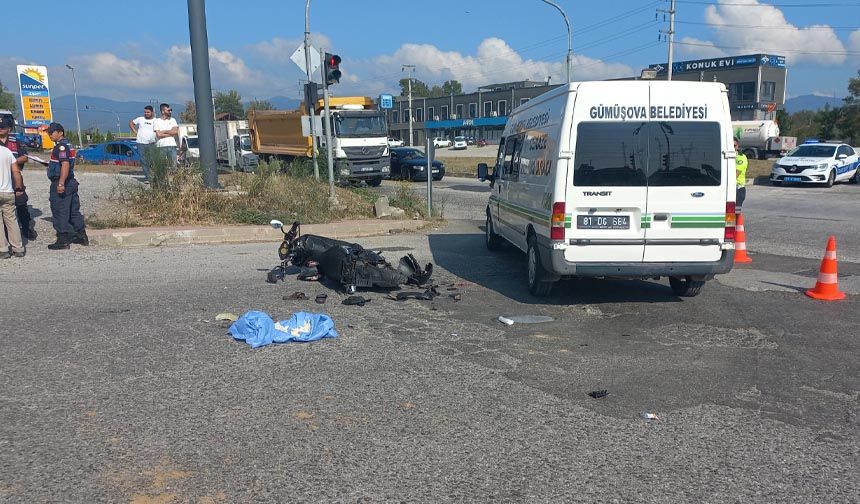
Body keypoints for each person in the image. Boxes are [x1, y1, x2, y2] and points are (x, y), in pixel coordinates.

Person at [45, 123, 88, 250]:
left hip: (62, 181)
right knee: (73, 210)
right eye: (49, 133)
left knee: (60, 211)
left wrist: (60, 183)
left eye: (51, 132)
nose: (50, 135)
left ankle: (63, 240)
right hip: (70, 182)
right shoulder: (68, 145)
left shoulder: (61, 147)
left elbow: (65, 165)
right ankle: (81, 235)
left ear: (60, 132)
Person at [0, 114, 36, 240]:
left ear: (9, 128)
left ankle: (26, 228)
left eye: (3, 127)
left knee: (21, 203)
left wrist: (11, 161)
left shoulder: (16, 142)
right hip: (1, 177)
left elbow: (25, 157)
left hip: (15, 176)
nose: (1, 129)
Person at [0, 143, 25, 258]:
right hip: (8, 191)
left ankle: (3, 249)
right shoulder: (7, 151)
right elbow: (16, 171)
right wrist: (19, 187)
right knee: (11, 220)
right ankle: (18, 248)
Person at [129, 105, 157, 181]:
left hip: (152, 143)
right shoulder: (140, 119)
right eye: (145, 112)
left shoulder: (156, 120)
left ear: (152, 112)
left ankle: (154, 175)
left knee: (152, 160)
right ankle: (148, 177)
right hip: (141, 143)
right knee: (144, 160)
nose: (146, 113)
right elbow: (131, 123)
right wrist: (135, 131)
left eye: (148, 112)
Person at [154, 103, 179, 168]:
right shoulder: (157, 121)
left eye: (171, 110)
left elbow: (175, 132)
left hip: (172, 145)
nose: (170, 111)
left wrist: (164, 131)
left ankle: (173, 177)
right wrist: (170, 134)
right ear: (163, 111)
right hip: (161, 146)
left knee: (174, 165)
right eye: (168, 110)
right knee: (161, 165)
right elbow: (158, 134)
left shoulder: (173, 120)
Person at [734, 137, 748, 211]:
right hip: (730, 188)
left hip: (738, 189)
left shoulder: (741, 157)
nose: (733, 148)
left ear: (737, 146)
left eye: (734, 145)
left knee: (736, 212)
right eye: (731, 145)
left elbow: (737, 173)